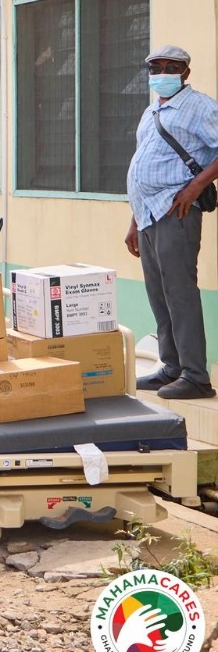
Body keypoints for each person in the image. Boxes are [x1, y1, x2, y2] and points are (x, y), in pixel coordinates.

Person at [127, 44, 218, 400]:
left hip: (175, 211)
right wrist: (134, 219)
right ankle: (172, 366)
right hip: (148, 214)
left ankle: (196, 375)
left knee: (180, 292)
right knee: (159, 294)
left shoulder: (200, 106)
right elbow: (144, 164)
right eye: (156, 67)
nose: (162, 73)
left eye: (172, 66)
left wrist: (196, 185)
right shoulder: (152, 110)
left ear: (186, 72)